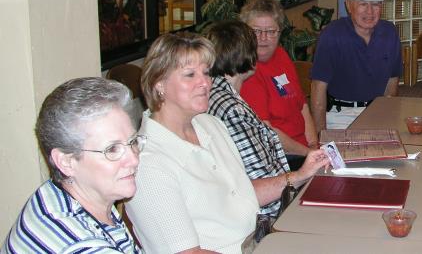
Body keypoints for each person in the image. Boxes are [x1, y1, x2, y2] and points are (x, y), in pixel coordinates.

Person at [127, 32, 329, 253]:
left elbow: (239, 192)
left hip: (260, 242)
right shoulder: (147, 165)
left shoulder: (210, 125)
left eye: (206, 72)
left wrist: (300, 175)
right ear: (158, 84)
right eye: (189, 75)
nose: (205, 82)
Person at [205, 20, 329, 218]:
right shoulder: (233, 110)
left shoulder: (216, 94)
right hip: (271, 212)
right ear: (248, 56)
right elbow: (261, 180)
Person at [3, 77, 142, 253]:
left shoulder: (60, 195)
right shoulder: (79, 245)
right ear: (66, 162)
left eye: (133, 141)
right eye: (112, 149)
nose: (134, 159)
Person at [310, 0, 403, 130]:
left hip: (378, 112)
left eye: (375, 4)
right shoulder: (332, 35)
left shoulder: (389, 32)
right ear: (348, 5)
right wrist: (320, 136)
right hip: (341, 115)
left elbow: (392, 82)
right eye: (363, 4)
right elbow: (317, 90)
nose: (370, 11)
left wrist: (387, 117)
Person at [238, 0, 317, 163]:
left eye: (271, 31)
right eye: (256, 31)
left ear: (280, 31)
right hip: (279, 156)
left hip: (303, 151)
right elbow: (267, 132)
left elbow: (301, 105)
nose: (263, 38)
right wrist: (307, 154)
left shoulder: (281, 55)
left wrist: (313, 144)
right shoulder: (246, 71)